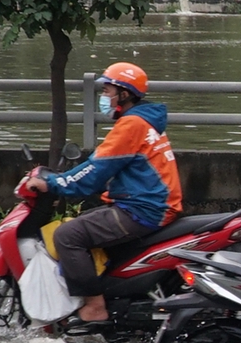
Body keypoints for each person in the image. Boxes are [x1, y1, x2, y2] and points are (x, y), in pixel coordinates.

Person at [39, 62, 183, 326]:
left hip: (143, 209)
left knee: (67, 235)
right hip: (149, 204)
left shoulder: (132, 125)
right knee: (84, 225)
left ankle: (95, 307)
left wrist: (54, 183)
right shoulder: (144, 121)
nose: (104, 97)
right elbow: (102, 162)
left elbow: (96, 170)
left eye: (107, 91)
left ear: (124, 94)